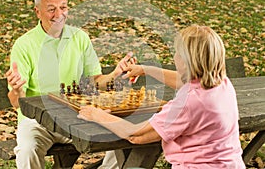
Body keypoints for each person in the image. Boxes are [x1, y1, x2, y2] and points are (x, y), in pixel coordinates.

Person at [6, 0, 135, 169]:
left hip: (77, 118)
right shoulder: (24, 45)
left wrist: (115, 73)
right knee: (27, 150)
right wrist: (17, 90)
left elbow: (95, 81)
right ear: (37, 12)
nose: (59, 15)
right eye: (51, 9)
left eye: (63, 7)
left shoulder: (79, 38)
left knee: (124, 135)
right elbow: (18, 102)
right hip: (38, 123)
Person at [78, 25, 246, 168]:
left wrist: (98, 115)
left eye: (177, 54)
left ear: (187, 61)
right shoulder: (222, 83)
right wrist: (145, 70)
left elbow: (135, 135)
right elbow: (184, 80)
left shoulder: (187, 103)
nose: (174, 58)